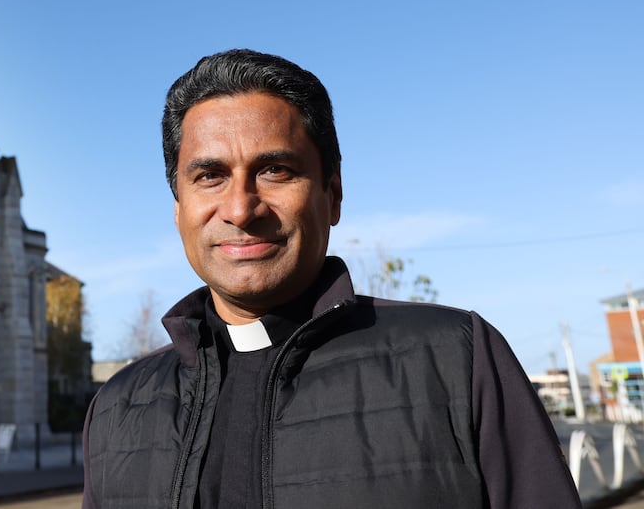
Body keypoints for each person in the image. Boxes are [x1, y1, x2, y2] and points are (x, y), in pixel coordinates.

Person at [81, 49, 581, 508]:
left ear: (333, 194)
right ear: (178, 211)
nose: (239, 209)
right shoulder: (118, 405)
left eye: (275, 170)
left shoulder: (458, 359)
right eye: (209, 176)